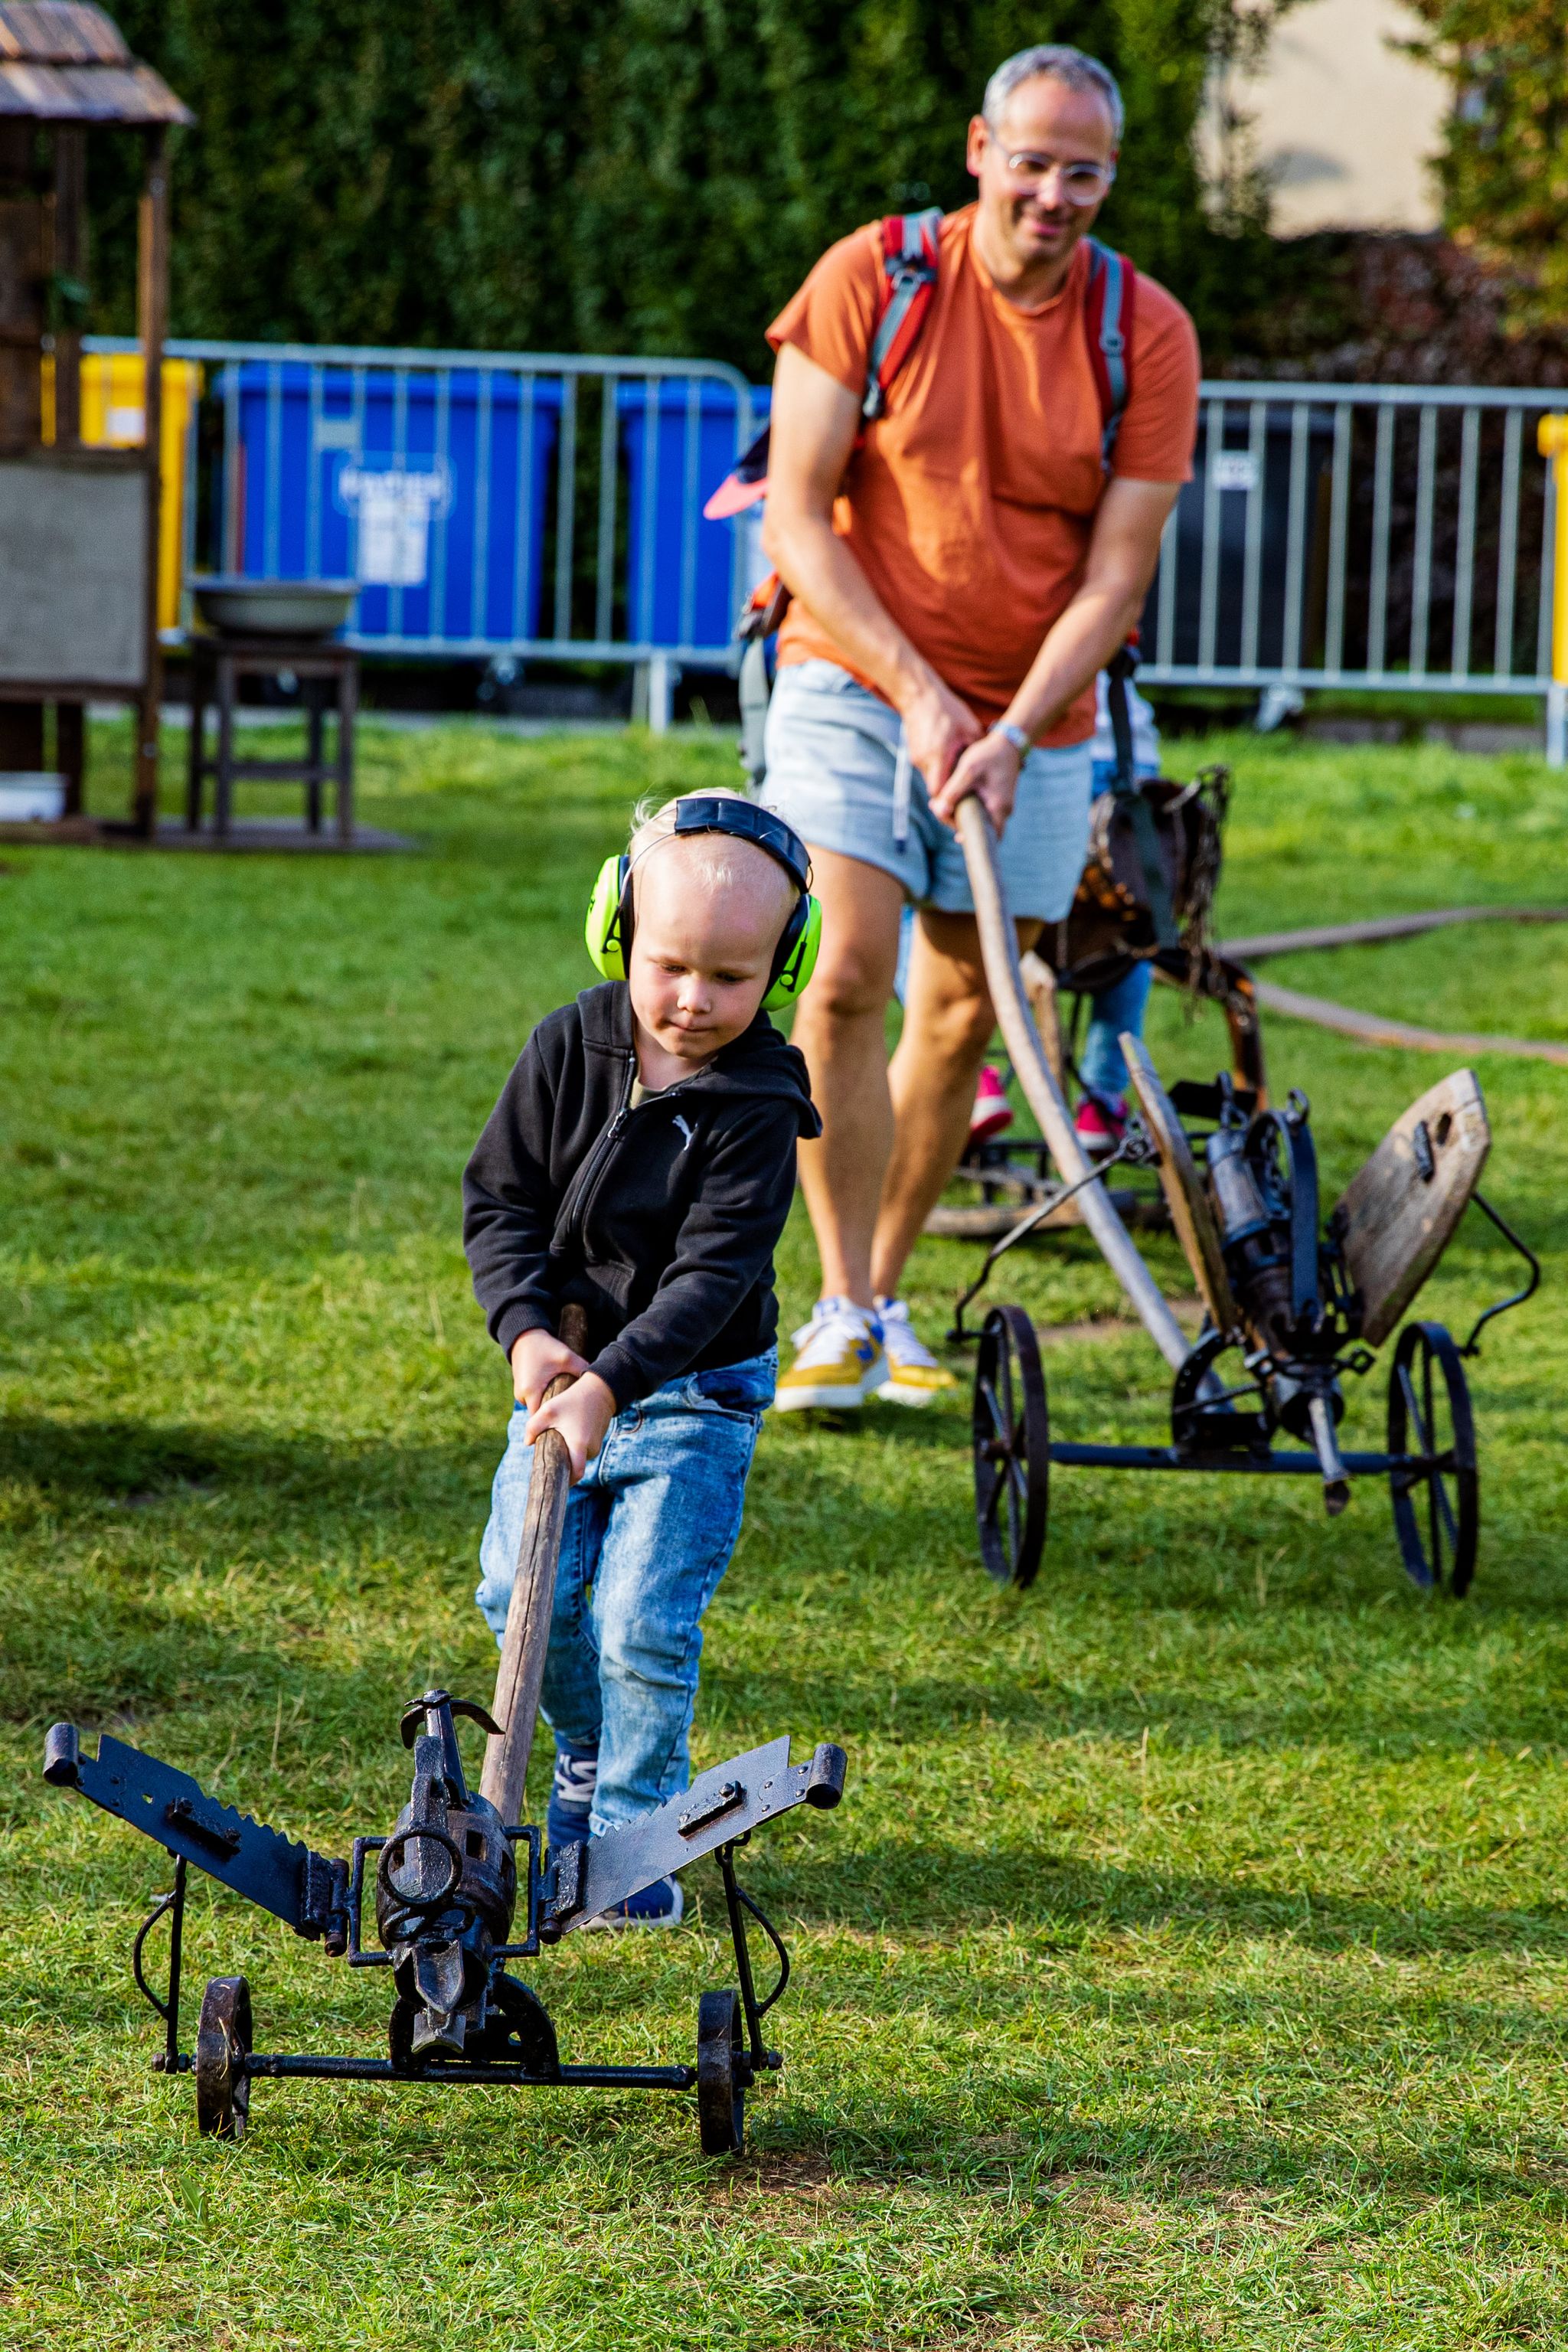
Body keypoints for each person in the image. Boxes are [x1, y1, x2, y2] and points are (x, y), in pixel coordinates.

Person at [759, 41, 1200, 1414]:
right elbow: (796, 513)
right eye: (1033, 162)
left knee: (960, 1014)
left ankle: (886, 1299)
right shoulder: (874, 279)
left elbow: (1117, 575)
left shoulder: (1147, 332)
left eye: (1086, 172)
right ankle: (831, 1305)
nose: (1056, 194)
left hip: (1039, 713)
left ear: (1109, 179)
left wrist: (1007, 728)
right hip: (851, 669)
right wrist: (926, 697)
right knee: (844, 976)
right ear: (978, 151)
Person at [462, 791, 820, 1926]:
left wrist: (611, 1387)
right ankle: (582, 1763)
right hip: (563, 1383)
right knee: (519, 1592)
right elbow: (499, 1202)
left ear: (787, 963)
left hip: (693, 1396)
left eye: (732, 977)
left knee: (639, 1626)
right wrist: (528, 1337)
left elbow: (712, 1283)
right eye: (668, 967)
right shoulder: (570, 1044)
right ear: (616, 929)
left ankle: (627, 1845)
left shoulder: (761, 1105)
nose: (693, 1001)